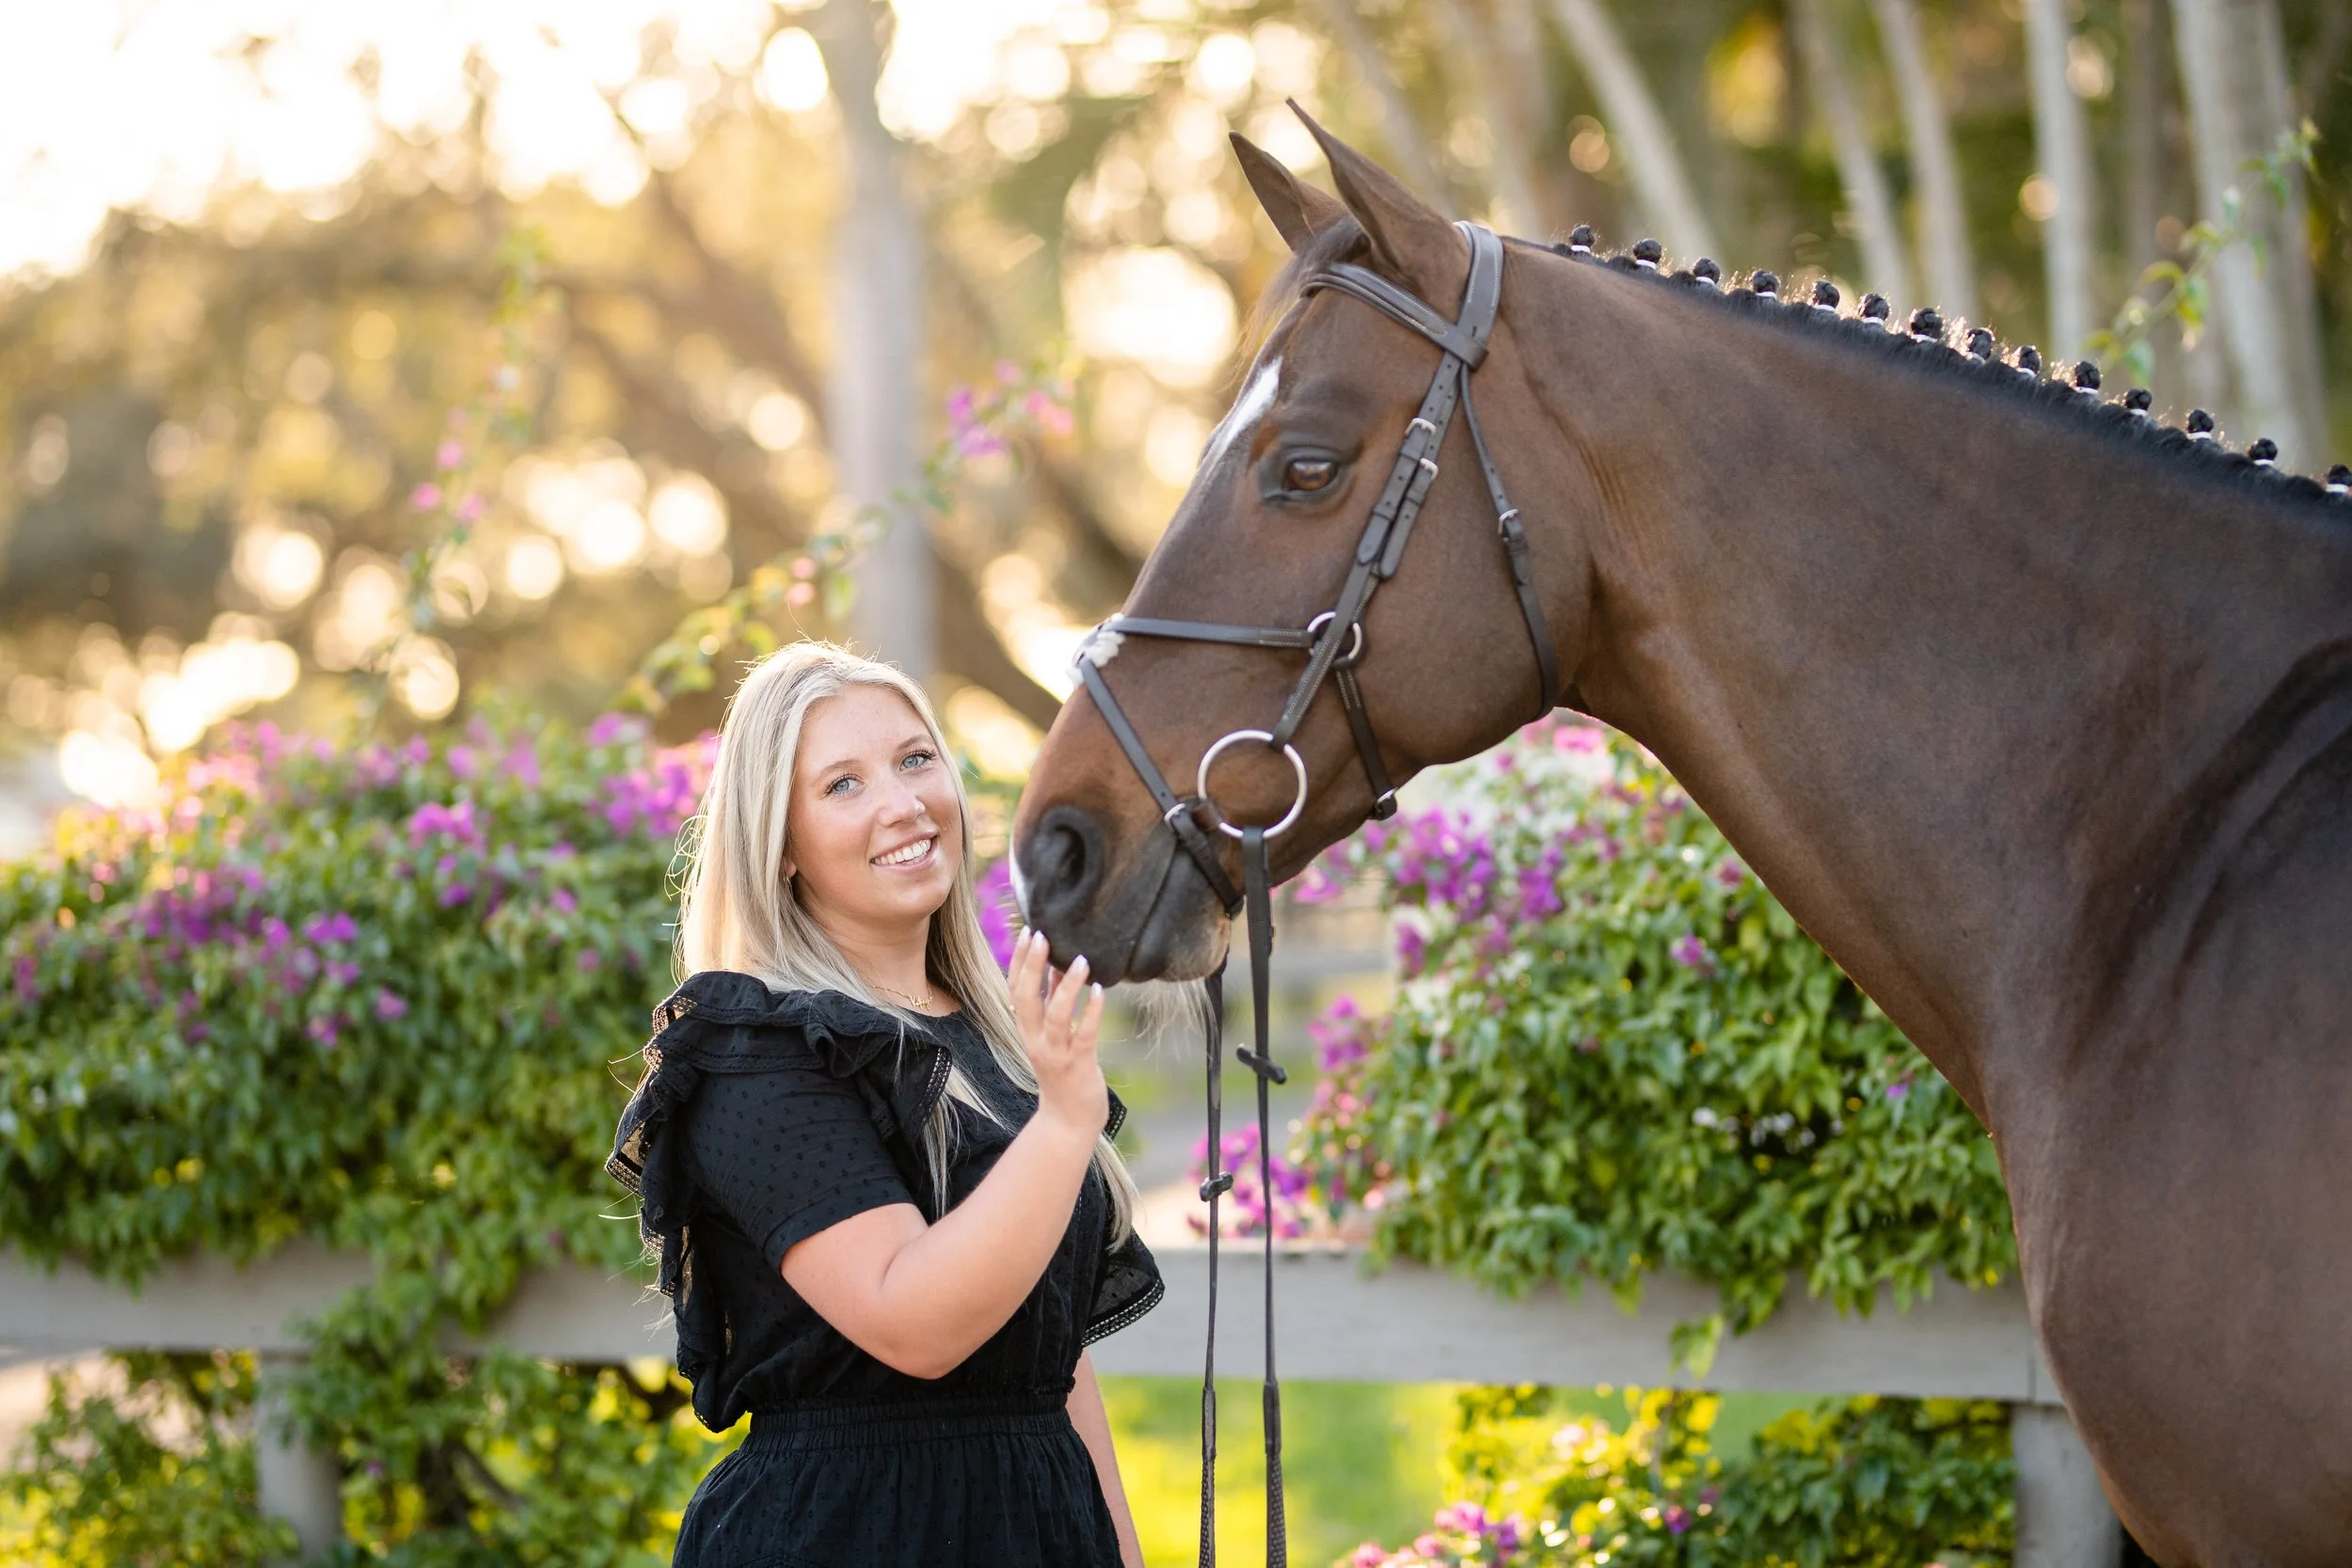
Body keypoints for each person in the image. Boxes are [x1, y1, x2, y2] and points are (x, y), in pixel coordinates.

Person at [609, 641, 1160, 1568]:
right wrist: (1065, 1120)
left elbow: (1048, 1362)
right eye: (842, 784)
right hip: (854, 1529)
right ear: (779, 847)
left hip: (1040, 1521)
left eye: (914, 758)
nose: (903, 802)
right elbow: (916, 1322)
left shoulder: (996, 1038)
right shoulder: (757, 1054)